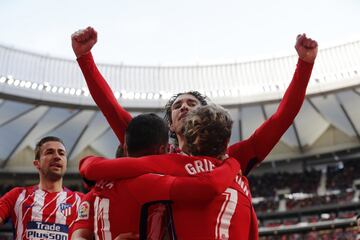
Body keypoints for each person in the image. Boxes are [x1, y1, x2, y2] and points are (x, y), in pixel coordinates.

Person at [72, 27, 318, 239]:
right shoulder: (157, 158)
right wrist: (85, 58)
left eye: (192, 104)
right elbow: (112, 109)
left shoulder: (233, 157)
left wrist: (305, 65)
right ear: (170, 126)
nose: (184, 107)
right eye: (178, 106)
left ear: (205, 115)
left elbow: (280, 120)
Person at [73, 112, 240, 240]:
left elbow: (77, 235)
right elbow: (207, 187)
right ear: (164, 149)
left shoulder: (96, 190)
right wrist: (232, 163)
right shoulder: (150, 184)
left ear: (125, 148)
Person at [0, 136, 82, 240]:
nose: (57, 156)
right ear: (37, 163)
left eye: (61, 153)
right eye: (49, 152)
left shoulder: (80, 201)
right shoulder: (17, 196)